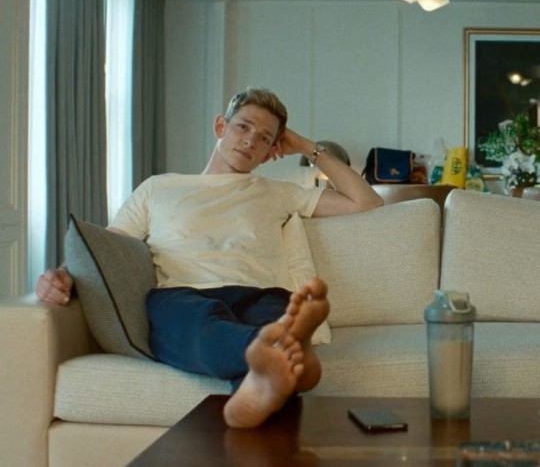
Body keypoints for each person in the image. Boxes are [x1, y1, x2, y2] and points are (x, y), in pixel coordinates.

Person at [35, 87, 383, 428]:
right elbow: (109, 248)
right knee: (209, 326)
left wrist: (307, 147)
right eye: (243, 126)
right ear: (220, 126)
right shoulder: (159, 188)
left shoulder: (277, 192)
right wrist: (64, 274)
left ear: (271, 151)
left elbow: (367, 201)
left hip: (261, 296)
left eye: (264, 138)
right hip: (184, 297)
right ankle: (283, 357)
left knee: (273, 321)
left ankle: (265, 371)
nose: (250, 141)